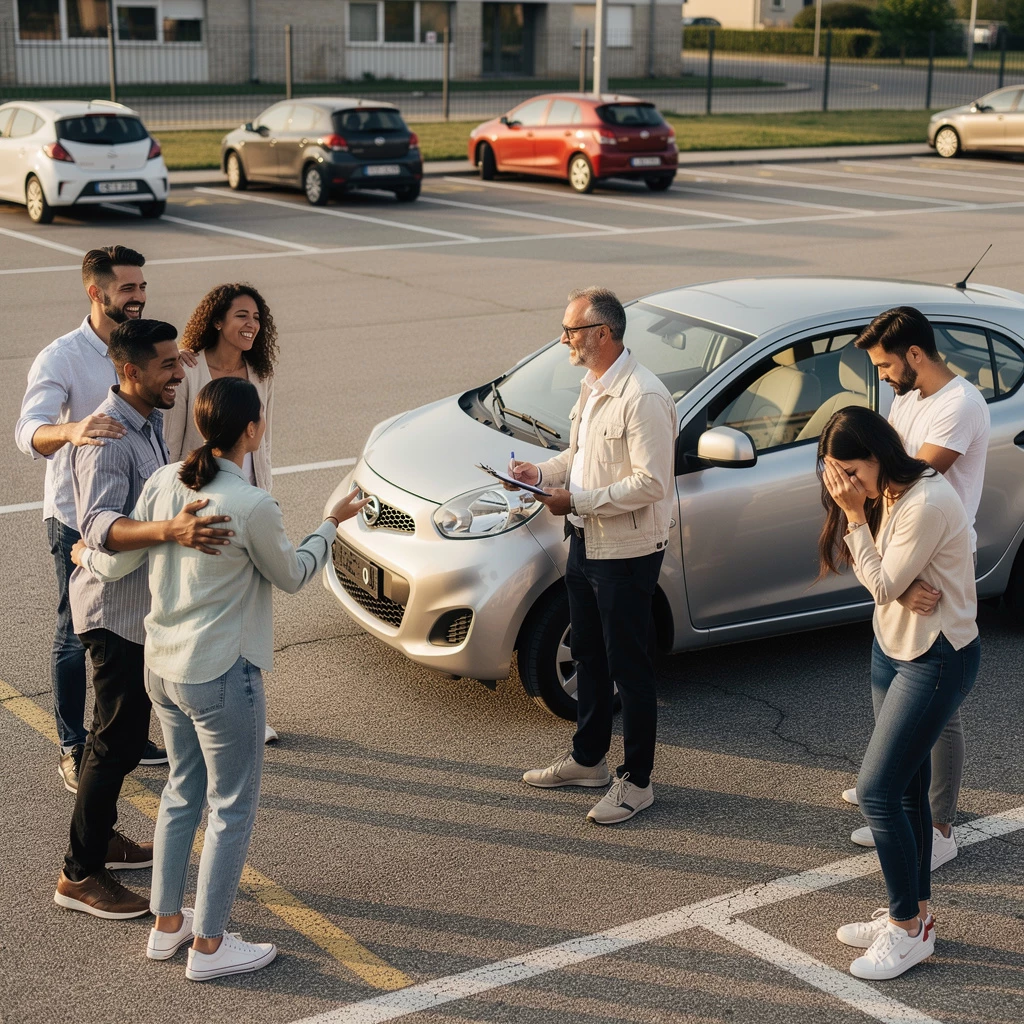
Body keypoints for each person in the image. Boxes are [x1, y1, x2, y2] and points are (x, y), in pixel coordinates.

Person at [73, 376, 368, 979]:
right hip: (222, 674)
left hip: (164, 668)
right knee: (231, 807)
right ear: (251, 430)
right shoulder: (252, 504)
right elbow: (293, 575)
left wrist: (86, 554)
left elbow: (121, 561)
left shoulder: (165, 481)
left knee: (182, 791)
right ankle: (209, 946)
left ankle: (167, 925)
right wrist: (330, 523)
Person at [54, 318, 232, 920]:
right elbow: (100, 525)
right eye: (167, 365)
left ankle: (101, 840)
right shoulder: (108, 438)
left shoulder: (148, 422)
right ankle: (79, 874)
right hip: (114, 614)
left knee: (123, 739)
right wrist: (172, 531)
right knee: (115, 742)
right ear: (130, 371)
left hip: (137, 610)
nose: (179, 373)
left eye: (178, 362)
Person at [15, 244, 195, 789]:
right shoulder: (61, 357)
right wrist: (72, 430)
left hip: (136, 518)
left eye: (142, 286)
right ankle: (74, 745)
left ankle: (120, 731)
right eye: (127, 288)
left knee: (132, 627)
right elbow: (27, 431)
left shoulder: (145, 347)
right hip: (79, 516)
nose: (139, 296)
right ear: (96, 292)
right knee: (78, 633)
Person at [818, 406, 980, 980]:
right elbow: (885, 580)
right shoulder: (887, 489)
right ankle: (914, 915)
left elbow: (881, 581)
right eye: (837, 476)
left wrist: (860, 528)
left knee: (877, 792)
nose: (847, 487)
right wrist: (899, 585)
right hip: (892, 647)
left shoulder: (925, 501)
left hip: (935, 658)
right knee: (906, 792)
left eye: (851, 472)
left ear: (878, 454)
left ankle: (907, 931)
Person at [511, 287, 676, 824]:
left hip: (626, 553)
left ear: (602, 333)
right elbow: (581, 456)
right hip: (585, 541)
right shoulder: (594, 385)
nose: (564, 339)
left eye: (572, 330)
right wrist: (541, 475)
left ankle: (638, 783)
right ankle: (589, 761)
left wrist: (576, 501)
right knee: (588, 655)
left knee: (629, 668)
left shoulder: (643, 397)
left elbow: (651, 483)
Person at [842, 307, 990, 867]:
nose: (882, 376)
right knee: (896, 675)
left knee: (938, 699)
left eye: (885, 366)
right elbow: (884, 485)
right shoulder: (906, 397)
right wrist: (892, 579)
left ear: (915, 355)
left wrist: (895, 577)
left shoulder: (960, 405)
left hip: (939, 559)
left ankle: (940, 826)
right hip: (900, 548)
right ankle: (898, 794)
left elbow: (906, 481)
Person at [162, 283, 280, 743]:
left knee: (249, 610)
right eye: (241, 316)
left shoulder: (261, 372)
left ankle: (248, 711)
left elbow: (263, 441)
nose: (252, 325)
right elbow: (172, 444)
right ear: (216, 321)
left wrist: (266, 496)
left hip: (248, 500)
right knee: (203, 610)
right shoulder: (190, 369)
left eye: (257, 318)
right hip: (203, 504)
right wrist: (176, 509)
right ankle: (191, 705)